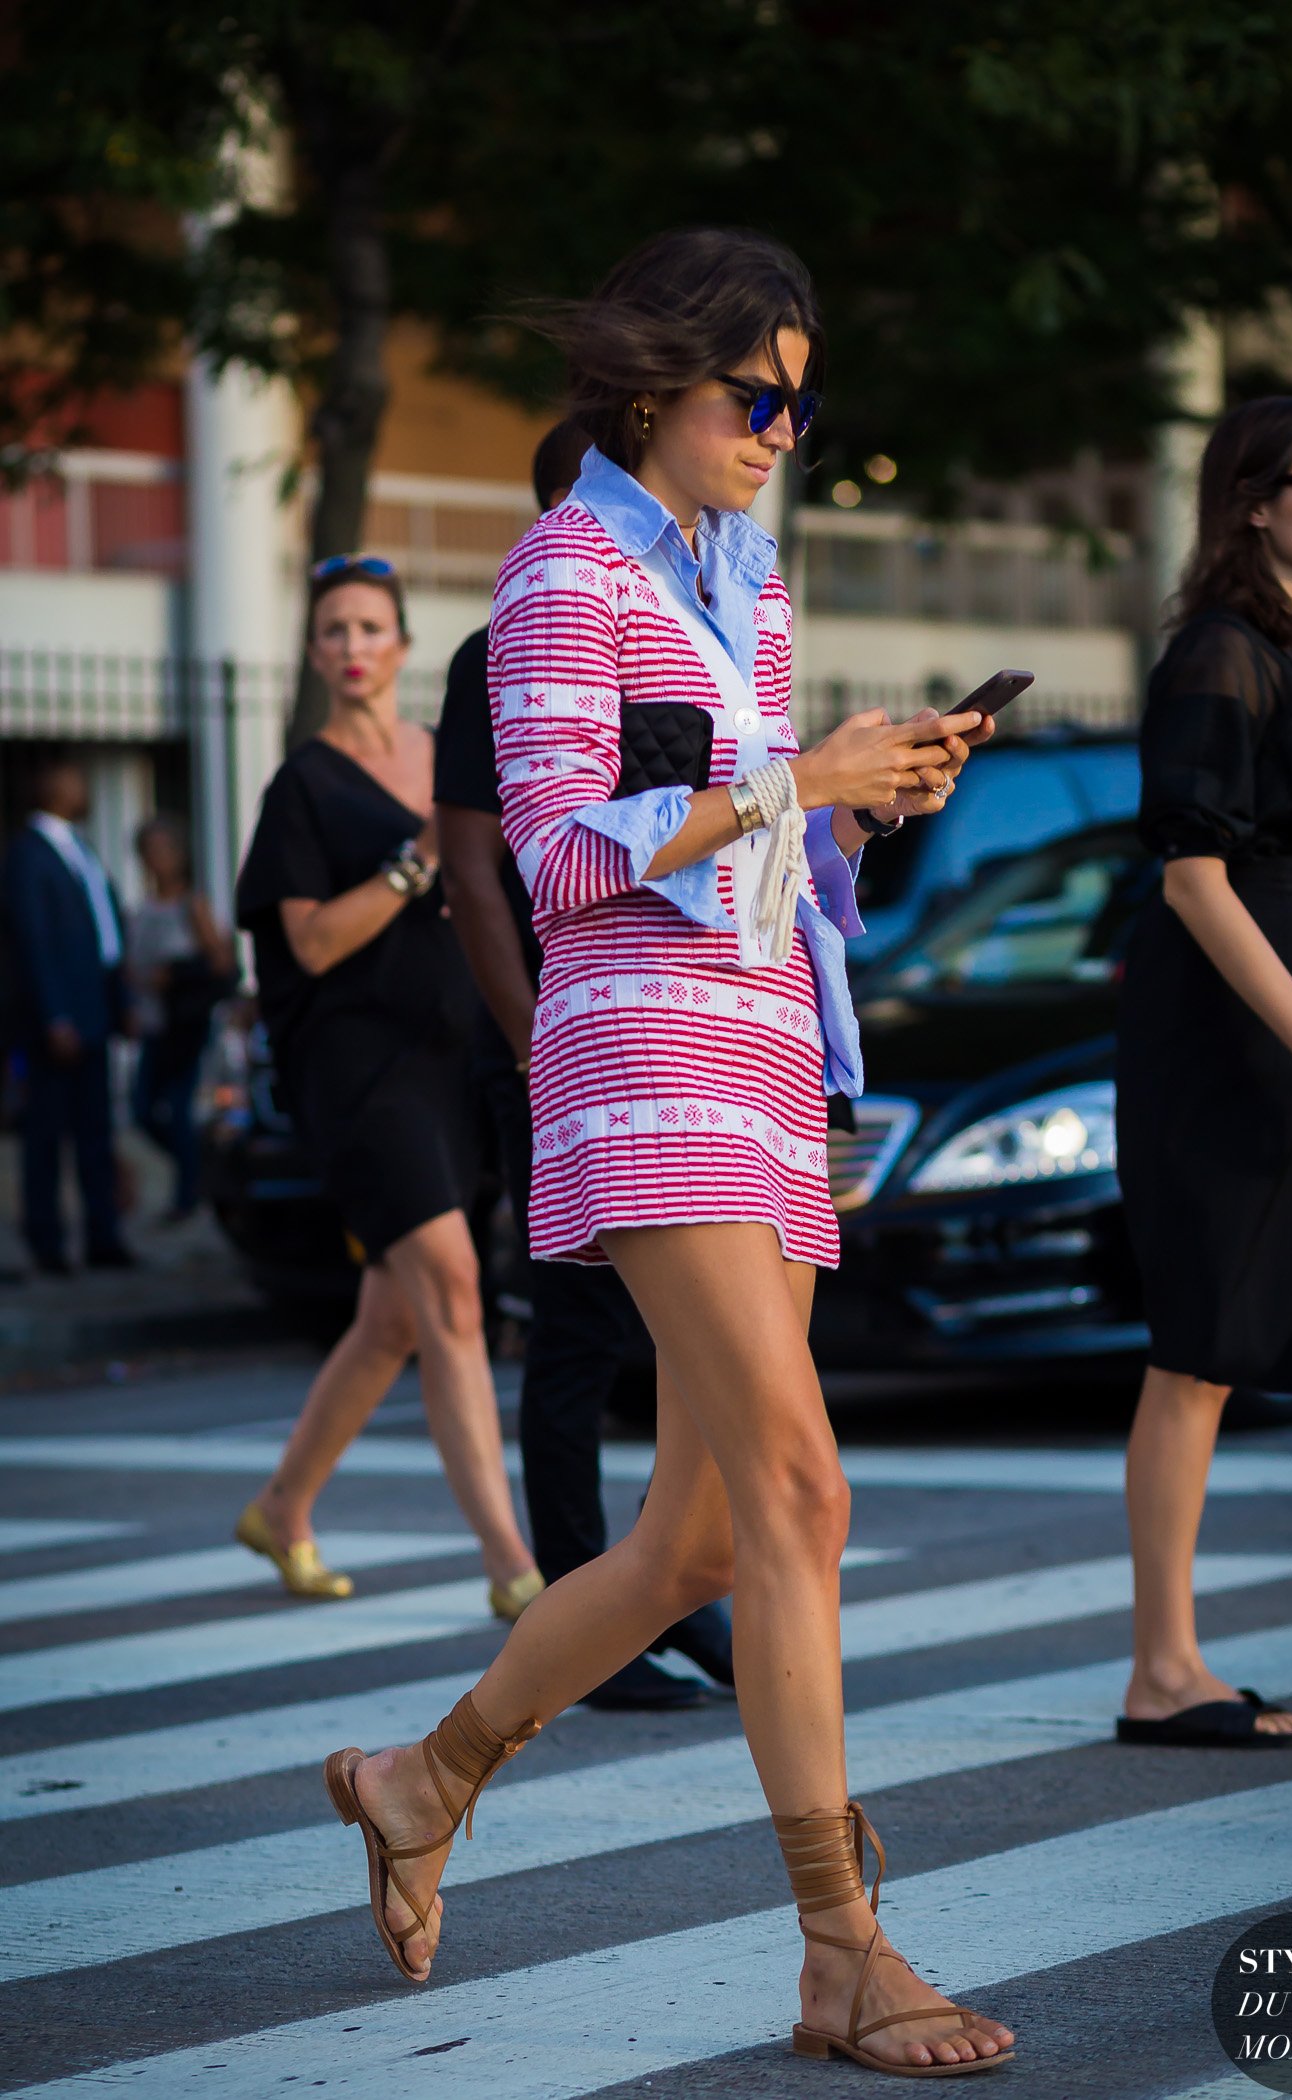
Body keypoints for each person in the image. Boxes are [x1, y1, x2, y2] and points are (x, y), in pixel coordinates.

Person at [323, 228, 1015, 2079]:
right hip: (643, 1061)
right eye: (757, 394)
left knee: (699, 1538)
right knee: (804, 1496)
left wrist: (872, 804)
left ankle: (420, 1777)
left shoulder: (751, 582)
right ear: (654, 388)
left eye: (803, 397)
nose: (786, 426)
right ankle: (841, 1951)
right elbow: (557, 861)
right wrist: (800, 778)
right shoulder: (564, 575)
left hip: (770, 1046)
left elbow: (763, 855)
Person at [1115, 394, 1292, 1747]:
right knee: (1202, 1344)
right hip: (1236, 1025)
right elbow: (1192, 881)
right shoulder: (1217, 655)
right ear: (1249, 503)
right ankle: (1163, 1668)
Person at [436, 417, 734, 1712]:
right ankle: (588, 1599)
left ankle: (671, 1588)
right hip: (571, 1030)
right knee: (572, 1334)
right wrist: (526, 1035)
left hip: (689, 1038)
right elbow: (482, 861)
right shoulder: (518, 624)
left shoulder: (701, 614)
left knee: (677, 1357)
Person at [233, 555, 542, 1619]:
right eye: (332, 631)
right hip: (359, 1071)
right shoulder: (303, 785)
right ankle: (513, 1563)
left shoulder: (442, 749)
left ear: (403, 646)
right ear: (315, 655)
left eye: (369, 628)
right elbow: (310, 943)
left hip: (456, 1058)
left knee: (392, 1320)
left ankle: (282, 1506)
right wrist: (418, 866)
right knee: (453, 1289)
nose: (352, 647)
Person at [1, 757, 135, 1274]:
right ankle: (47, 1244)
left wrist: (118, 1004)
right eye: (74, 779)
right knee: (46, 1137)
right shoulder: (27, 856)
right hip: (53, 1025)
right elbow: (34, 942)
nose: (83, 788)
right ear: (49, 786)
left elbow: (103, 932)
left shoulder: (80, 848)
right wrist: (56, 1015)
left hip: (95, 1013)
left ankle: (104, 1237)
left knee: (95, 1133)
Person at [128, 815, 237, 1223]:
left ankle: (187, 1194)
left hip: (187, 1027)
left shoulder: (193, 905)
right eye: (149, 852)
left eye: (164, 851)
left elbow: (223, 965)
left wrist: (175, 974)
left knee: (177, 1109)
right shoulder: (141, 911)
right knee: (143, 1111)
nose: (157, 860)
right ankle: (198, 1173)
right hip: (153, 1027)